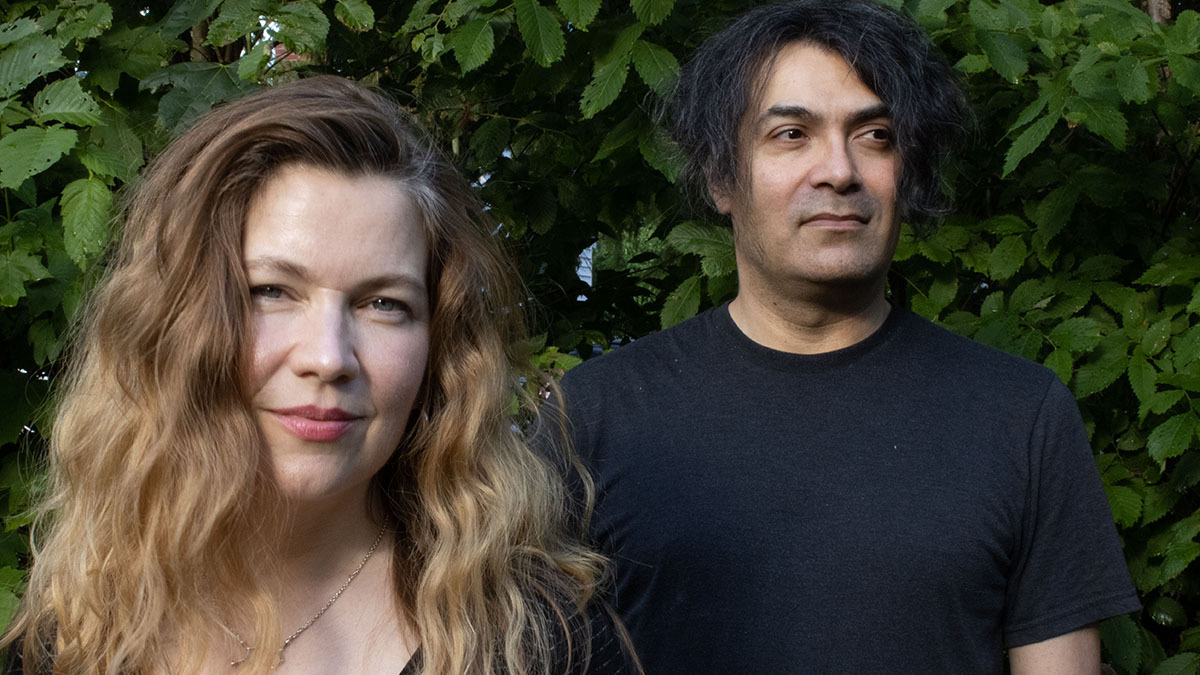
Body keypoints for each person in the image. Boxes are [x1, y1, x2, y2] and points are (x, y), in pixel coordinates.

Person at [556, 1, 1141, 673]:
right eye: (791, 135)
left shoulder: (1021, 415)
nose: (839, 169)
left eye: (875, 135)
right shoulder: (595, 416)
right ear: (721, 178)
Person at [2, 76, 633, 675]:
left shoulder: (541, 643)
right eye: (271, 291)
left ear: (439, 350)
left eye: (384, 303)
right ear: (173, 323)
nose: (329, 358)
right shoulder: (69, 643)